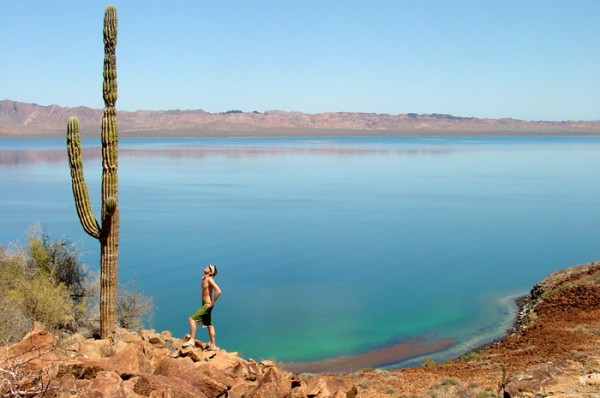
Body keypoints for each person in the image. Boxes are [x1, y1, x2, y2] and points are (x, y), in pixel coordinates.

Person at [183, 263, 222, 350]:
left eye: (208, 267)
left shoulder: (210, 279)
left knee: (191, 319)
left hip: (207, 304)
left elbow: (218, 291)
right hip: (205, 303)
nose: (206, 267)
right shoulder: (205, 278)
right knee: (209, 325)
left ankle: (192, 340)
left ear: (210, 272)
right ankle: (213, 345)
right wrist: (204, 278)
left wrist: (212, 303)